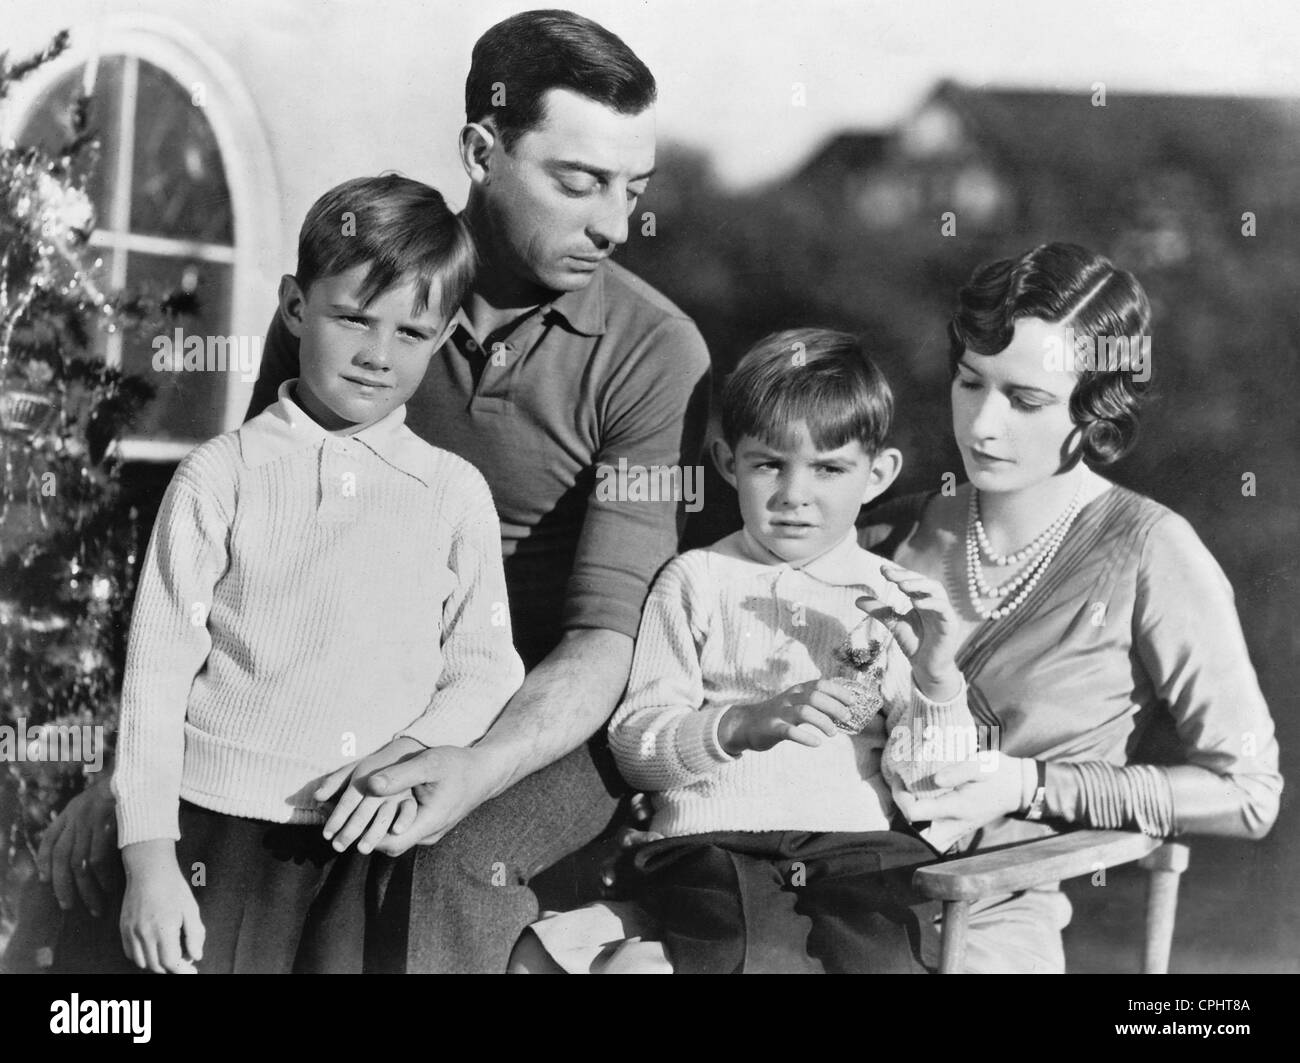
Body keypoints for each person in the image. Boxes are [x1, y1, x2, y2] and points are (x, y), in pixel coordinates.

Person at [31, 10, 710, 975]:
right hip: (317, 692)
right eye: (579, 181)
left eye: (632, 188)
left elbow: (607, 638)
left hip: (538, 721)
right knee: (86, 883)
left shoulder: (656, 351)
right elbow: (241, 539)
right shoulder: (360, 281)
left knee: (431, 859)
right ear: (482, 148)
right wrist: (135, 781)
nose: (614, 222)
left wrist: (469, 766)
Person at [522, 241, 1283, 974]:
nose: (983, 423)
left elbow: (1248, 791)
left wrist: (1029, 785)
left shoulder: (1154, 552)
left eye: (1025, 399)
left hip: (982, 903)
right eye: (971, 381)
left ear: (1097, 411)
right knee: (552, 953)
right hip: (778, 880)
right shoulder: (888, 530)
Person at [114, 174, 524, 973]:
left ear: (441, 339)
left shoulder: (452, 493)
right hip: (220, 834)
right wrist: (150, 863)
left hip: (369, 842)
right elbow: (154, 680)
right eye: (352, 318)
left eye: (412, 332)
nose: (378, 354)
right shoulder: (220, 475)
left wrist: (409, 749)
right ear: (296, 307)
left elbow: (485, 670)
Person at [600, 329, 983, 973]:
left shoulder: (888, 598)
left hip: (854, 845)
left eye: (829, 468)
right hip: (715, 846)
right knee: (754, 955)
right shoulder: (693, 580)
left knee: (889, 961)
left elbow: (932, 784)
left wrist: (937, 676)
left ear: (877, 474)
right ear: (728, 463)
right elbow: (636, 747)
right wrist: (739, 725)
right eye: (769, 463)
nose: (794, 494)